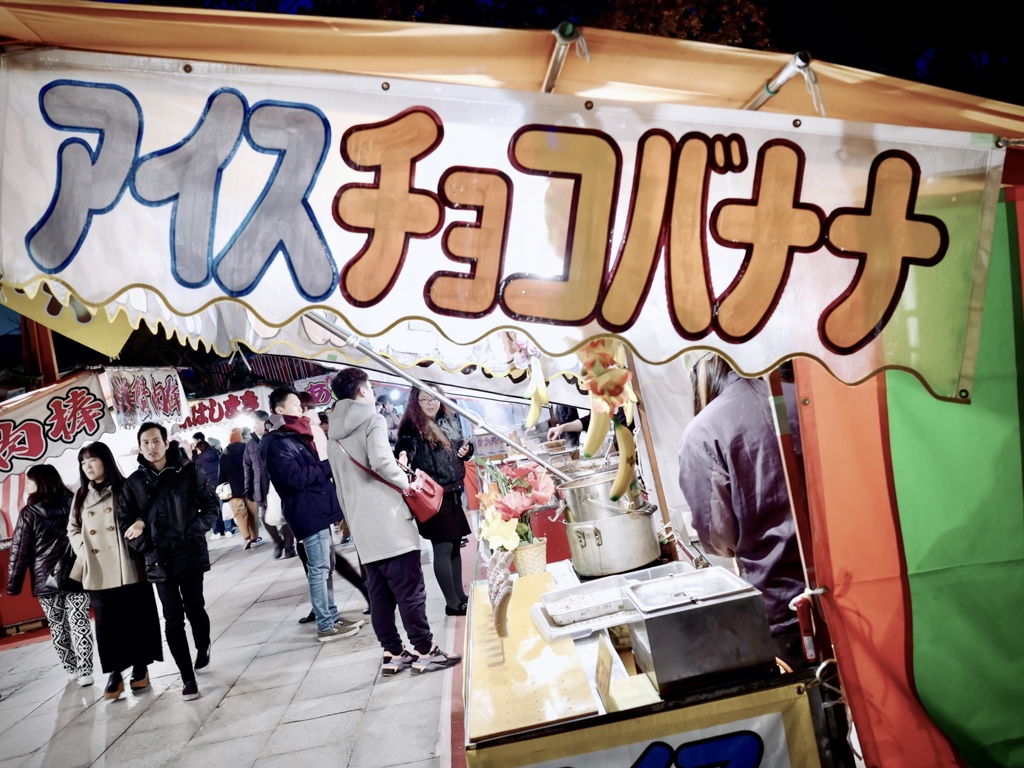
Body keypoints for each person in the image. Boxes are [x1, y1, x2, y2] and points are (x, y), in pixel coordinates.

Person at [676, 353, 808, 671]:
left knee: (808, 704)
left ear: (700, 373)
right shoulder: (804, 398)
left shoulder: (702, 432)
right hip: (849, 591)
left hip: (779, 607)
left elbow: (716, 539)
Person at [328, 368, 462, 675]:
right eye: (370, 387)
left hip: (363, 527)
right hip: (388, 522)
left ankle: (393, 653)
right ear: (362, 391)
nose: (373, 392)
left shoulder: (332, 434)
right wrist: (406, 483)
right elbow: (380, 461)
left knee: (380, 595)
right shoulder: (372, 419)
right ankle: (426, 651)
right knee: (410, 590)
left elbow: (340, 482)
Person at [120, 421, 220, 700]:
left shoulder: (189, 471)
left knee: (195, 607)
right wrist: (146, 545)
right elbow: (124, 521)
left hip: (188, 552)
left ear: (166, 442)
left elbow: (211, 506)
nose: (151, 447)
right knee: (172, 618)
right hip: (158, 558)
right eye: (145, 443)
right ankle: (187, 679)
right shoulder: (134, 483)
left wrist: (193, 531)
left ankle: (203, 643)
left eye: (156, 441)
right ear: (139, 448)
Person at [260, 386, 364, 643]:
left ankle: (332, 616)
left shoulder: (294, 435)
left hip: (315, 507)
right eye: (294, 404)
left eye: (300, 404)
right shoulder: (277, 442)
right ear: (279, 410)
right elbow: (293, 478)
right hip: (305, 510)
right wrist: (327, 467)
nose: (300, 408)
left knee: (326, 567)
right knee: (319, 569)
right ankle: (326, 625)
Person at [69, 442, 163, 699]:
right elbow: (73, 529)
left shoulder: (125, 487)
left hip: (128, 565)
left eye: (92, 460)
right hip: (98, 569)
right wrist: (84, 550)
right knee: (107, 626)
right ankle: (114, 672)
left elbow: (145, 513)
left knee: (136, 619)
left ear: (105, 461)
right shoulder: (80, 496)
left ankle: (140, 668)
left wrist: (141, 524)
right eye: (83, 462)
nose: (87, 466)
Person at [6, 464, 95, 687]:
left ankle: (71, 669)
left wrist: (12, 585)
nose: (26, 485)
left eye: (29, 480)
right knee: (80, 622)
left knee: (57, 626)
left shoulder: (29, 513)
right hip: (77, 572)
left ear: (41, 482)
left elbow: (19, 552)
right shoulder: (75, 502)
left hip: (46, 578)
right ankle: (86, 672)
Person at [395, 386, 472, 616]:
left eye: (434, 399)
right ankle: (452, 603)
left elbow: (463, 444)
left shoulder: (449, 418)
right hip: (432, 495)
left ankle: (460, 596)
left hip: (453, 490)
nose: (430, 403)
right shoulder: (412, 425)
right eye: (424, 399)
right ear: (415, 401)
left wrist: (467, 449)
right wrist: (402, 456)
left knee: (455, 546)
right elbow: (405, 445)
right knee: (443, 547)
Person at [245, 410, 295, 559]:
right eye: (252, 424)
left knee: (284, 517)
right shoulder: (250, 444)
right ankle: (277, 542)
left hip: (278, 484)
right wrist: (248, 488)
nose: (254, 427)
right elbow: (247, 467)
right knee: (263, 517)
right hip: (260, 486)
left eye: (256, 423)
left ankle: (289, 547)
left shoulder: (276, 438)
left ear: (266, 422)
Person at [219, 428, 261, 549]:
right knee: (253, 512)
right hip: (249, 485)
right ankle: (254, 536)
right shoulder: (246, 449)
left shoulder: (225, 454)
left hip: (233, 489)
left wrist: (221, 486)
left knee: (239, 513)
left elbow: (222, 474)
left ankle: (246, 537)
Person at [194, 439, 233, 537]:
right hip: (220, 484)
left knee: (213, 509)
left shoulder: (199, 460)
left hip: (209, 486)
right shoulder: (216, 455)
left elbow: (199, 475)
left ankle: (217, 531)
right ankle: (228, 529)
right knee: (225, 507)